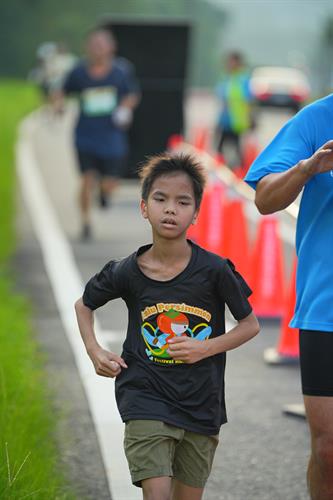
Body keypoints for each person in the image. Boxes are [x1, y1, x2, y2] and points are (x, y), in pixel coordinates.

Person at [75, 153, 259, 499]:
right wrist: (94, 350)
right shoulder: (127, 270)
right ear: (144, 207)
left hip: (201, 402)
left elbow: (249, 325)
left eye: (182, 202)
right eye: (160, 199)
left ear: (196, 214)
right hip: (145, 395)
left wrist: (206, 346)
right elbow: (84, 305)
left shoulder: (215, 271)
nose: (170, 209)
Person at [244, 94, 333, 500]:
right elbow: (264, 198)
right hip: (325, 309)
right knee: (328, 450)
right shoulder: (317, 119)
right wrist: (307, 168)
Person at [63, 28, 140, 240]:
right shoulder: (78, 72)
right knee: (87, 179)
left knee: (109, 182)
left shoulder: (121, 71)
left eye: (102, 44)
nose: (98, 49)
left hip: (112, 136)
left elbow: (132, 94)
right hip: (85, 135)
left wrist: (125, 108)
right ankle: (85, 222)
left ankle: (105, 193)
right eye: (94, 44)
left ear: (111, 47)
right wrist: (58, 105)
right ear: (87, 47)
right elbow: (63, 91)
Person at [215, 51, 252, 168]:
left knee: (233, 148)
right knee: (223, 147)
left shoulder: (241, 79)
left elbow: (247, 99)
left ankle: (237, 171)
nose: (229, 64)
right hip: (226, 120)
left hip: (236, 121)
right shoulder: (227, 77)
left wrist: (249, 118)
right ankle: (228, 169)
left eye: (231, 61)